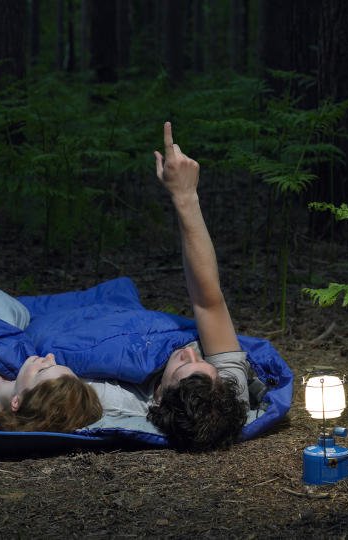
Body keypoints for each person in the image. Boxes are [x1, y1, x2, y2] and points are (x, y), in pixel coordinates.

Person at [87, 122, 250, 451]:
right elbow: (208, 301)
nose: (191, 351)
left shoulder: (122, 402)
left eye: (183, 364)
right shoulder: (226, 392)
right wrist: (186, 197)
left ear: (158, 398)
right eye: (201, 360)